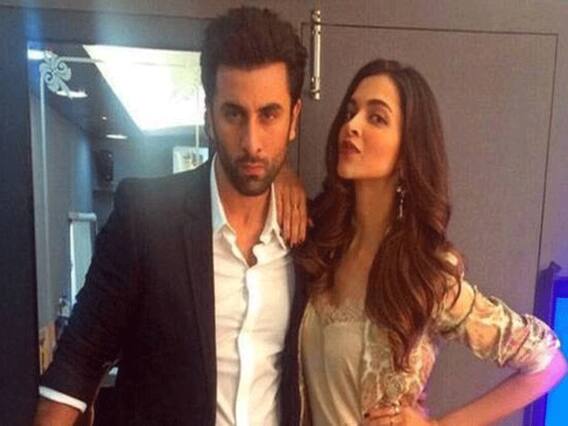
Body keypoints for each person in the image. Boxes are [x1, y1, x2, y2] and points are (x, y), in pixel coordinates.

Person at [34, 7, 309, 425]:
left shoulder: (309, 239)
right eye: (233, 113)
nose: (252, 142)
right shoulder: (146, 218)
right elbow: (76, 363)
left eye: (269, 114)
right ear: (209, 115)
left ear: (294, 119)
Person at [296, 59, 567, 426]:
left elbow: (548, 363)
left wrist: (440, 425)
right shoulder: (321, 243)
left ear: (408, 152)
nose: (352, 126)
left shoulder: (424, 273)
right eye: (350, 112)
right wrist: (281, 177)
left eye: (376, 118)